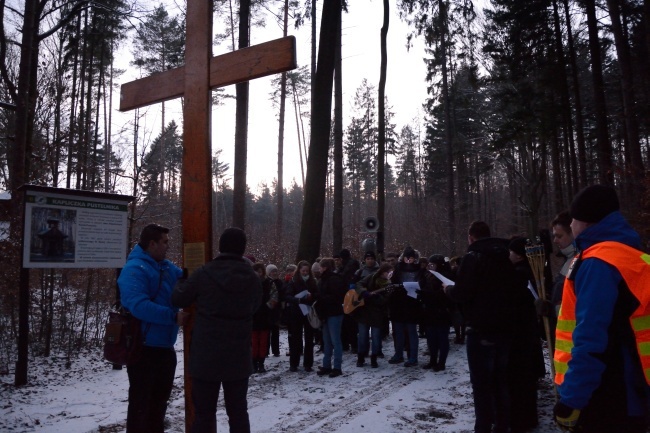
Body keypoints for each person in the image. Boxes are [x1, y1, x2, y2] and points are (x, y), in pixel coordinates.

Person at [553, 185, 650, 433]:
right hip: (636, 388)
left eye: (573, 219)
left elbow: (591, 337)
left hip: (609, 391)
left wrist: (572, 399)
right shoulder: (634, 255)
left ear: (585, 221)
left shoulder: (598, 263)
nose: (571, 225)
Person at [171, 227, 262, 433]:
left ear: (220, 247)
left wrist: (182, 280)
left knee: (204, 413)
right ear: (242, 248)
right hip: (238, 354)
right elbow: (255, 306)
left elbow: (179, 299)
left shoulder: (204, 273)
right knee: (238, 412)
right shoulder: (253, 277)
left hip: (206, 354)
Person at [444, 221, 524, 433]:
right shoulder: (505, 257)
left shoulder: (473, 257)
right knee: (500, 380)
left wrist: (449, 290)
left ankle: (483, 427)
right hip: (506, 327)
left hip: (481, 328)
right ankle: (502, 424)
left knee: (481, 384)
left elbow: (463, 293)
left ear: (471, 237)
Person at [117, 223, 184, 433]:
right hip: (143, 350)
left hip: (164, 348)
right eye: (164, 242)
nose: (167, 246)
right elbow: (138, 306)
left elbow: (187, 278)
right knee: (141, 407)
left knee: (158, 406)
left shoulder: (165, 266)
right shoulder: (134, 269)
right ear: (152, 243)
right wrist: (173, 316)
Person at [507, 237, 543, 433]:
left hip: (520, 333)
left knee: (520, 379)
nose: (508, 255)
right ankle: (528, 417)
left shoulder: (519, 274)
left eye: (511, 252)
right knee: (526, 379)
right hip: (527, 331)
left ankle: (521, 419)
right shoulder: (525, 272)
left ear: (519, 255)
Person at [388, 246, 424, 367]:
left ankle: (413, 356)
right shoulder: (398, 268)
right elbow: (392, 282)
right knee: (398, 331)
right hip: (398, 303)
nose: (408, 260)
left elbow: (422, 284)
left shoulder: (419, 269)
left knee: (411, 331)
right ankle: (399, 354)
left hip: (412, 303)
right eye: (407, 258)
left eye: (411, 258)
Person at [354, 263, 393, 368]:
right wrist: (364, 292)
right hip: (364, 311)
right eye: (386, 272)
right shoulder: (372, 276)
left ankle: (374, 357)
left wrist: (375, 298)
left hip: (377, 313)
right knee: (362, 336)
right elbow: (359, 284)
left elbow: (385, 300)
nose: (388, 275)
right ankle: (361, 357)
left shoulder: (389, 285)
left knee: (376, 337)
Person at [420, 254, 454, 371]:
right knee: (431, 338)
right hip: (430, 311)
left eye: (433, 264)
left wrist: (428, 294)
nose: (430, 266)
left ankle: (441, 362)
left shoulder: (446, 277)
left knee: (442, 338)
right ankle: (433, 360)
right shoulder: (428, 275)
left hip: (442, 312)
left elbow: (445, 296)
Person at [283, 260, 318, 372]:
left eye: (307, 271)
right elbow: (288, 296)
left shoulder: (313, 282)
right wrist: (298, 300)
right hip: (296, 312)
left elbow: (317, 294)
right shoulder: (294, 281)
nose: (305, 273)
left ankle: (308, 364)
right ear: (299, 271)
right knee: (295, 339)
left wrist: (312, 297)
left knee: (309, 339)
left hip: (308, 311)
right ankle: (294, 363)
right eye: (303, 271)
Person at [316, 257, 347, 378]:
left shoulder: (333, 280)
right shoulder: (324, 279)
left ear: (325, 267)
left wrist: (321, 298)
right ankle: (327, 365)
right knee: (327, 341)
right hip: (326, 313)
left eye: (320, 267)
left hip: (334, 312)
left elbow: (336, 297)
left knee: (335, 340)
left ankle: (337, 367)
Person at [251, 263, 278, 373]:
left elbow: (274, 296)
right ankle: (253, 363)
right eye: (257, 271)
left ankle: (261, 362)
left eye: (260, 271)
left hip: (265, 316)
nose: (259, 273)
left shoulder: (269, 283)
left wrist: (267, 307)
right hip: (253, 316)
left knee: (263, 341)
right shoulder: (249, 283)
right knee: (253, 341)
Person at [265, 264, 283, 357]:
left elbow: (282, 294)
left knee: (275, 331)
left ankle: (276, 351)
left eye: (275, 271)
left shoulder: (279, 282)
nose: (274, 273)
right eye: (272, 271)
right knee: (267, 332)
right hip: (267, 310)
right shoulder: (266, 282)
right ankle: (266, 351)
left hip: (276, 309)